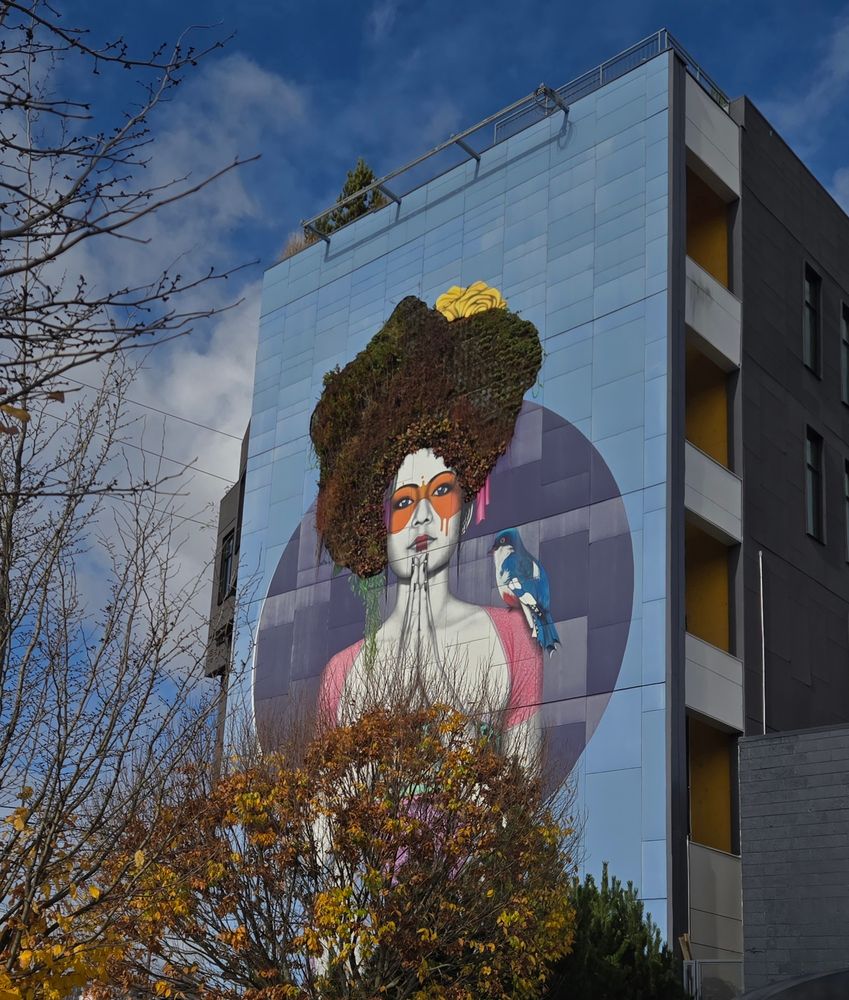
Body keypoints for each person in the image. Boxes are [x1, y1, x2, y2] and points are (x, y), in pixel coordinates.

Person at [310, 283, 547, 764]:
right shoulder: (341, 673)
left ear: (466, 511)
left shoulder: (512, 639)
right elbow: (325, 796)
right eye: (403, 501)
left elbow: (522, 780)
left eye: (440, 492)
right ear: (381, 526)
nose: (421, 515)